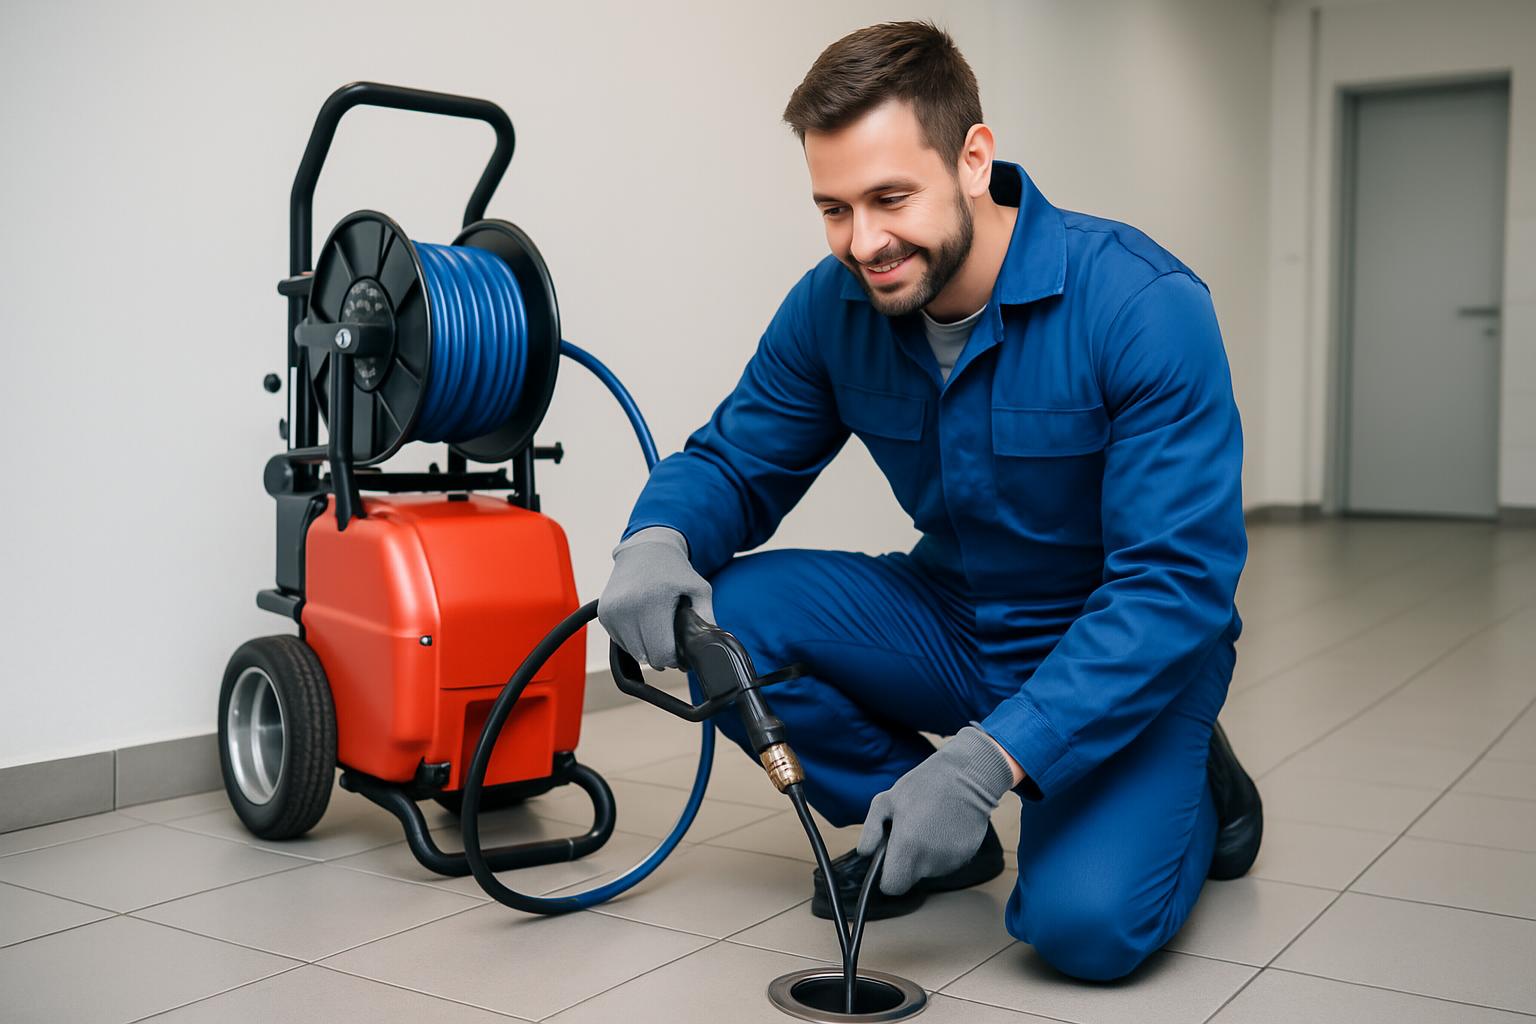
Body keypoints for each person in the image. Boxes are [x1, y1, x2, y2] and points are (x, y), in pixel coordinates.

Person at [598, 20, 1259, 982]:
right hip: (956, 614)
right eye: (833, 208)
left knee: (1083, 929)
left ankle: (1198, 780)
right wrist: (656, 538)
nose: (863, 242)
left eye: (890, 198)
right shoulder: (833, 308)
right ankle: (923, 829)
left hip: (1118, 646)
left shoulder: (1142, 306)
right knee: (731, 619)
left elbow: (1175, 586)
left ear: (974, 160)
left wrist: (989, 761)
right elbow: (738, 461)